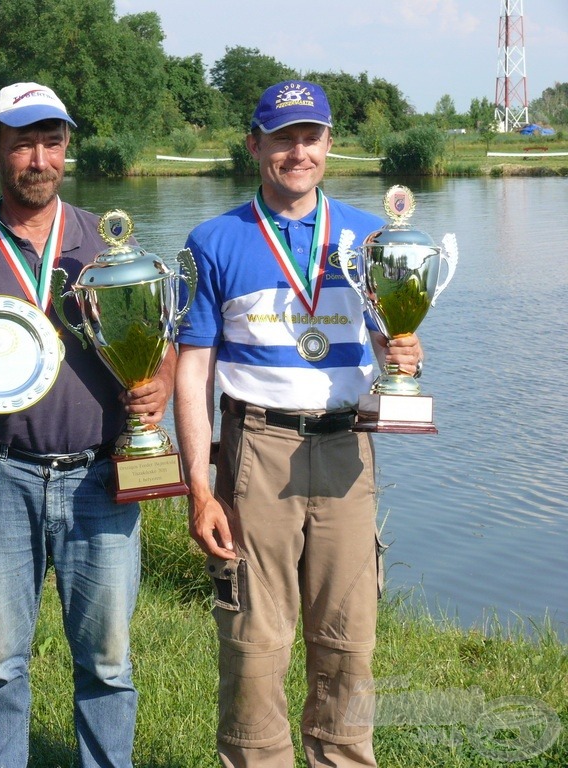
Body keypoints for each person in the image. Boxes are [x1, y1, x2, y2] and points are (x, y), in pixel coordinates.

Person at [0, 82, 174, 768]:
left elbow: (157, 337)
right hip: (0, 471)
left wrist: (161, 383)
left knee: (109, 660)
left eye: (51, 142)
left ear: (65, 150)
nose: (38, 158)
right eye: (22, 142)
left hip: (102, 471)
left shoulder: (106, 243)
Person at [173, 81, 424, 768]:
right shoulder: (212, 241)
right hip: (258, 449)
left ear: (329, 144)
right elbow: (190, 374)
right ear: (255, 145)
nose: (297, 151)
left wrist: (404, 349)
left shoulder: (369, 237)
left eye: (310, 136)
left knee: (349, 649)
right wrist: (200, 488)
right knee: (254, 648)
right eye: (282, 137)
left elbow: (388, 344)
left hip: (348, 449)